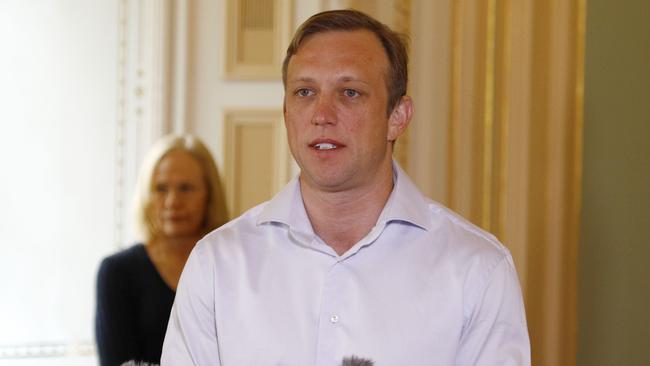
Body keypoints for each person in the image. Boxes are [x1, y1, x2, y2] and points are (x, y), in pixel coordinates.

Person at [162, 9, 530, 365]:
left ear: (397, 117)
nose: (322, 114)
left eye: (350, 92)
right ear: (286, 113)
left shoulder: (477, 270)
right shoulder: (217, 264)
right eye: (305, 92)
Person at [95, 134, 228, 366]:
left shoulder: (232, 265)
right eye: (160, 188)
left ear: (209, 194)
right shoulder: (118, 272)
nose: (172, 201)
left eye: (186, 188)